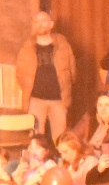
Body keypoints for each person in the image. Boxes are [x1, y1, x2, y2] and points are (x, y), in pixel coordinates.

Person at [15, 10, 77, 143]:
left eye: (43, 21)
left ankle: (63, 163)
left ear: (51, 24)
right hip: (35, 100)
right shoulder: (26, 47)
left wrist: (66, 90)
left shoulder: (63, 45)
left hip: (59, 100)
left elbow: (72, 70)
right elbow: (20, 73)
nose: (40, 24)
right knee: (36, 140)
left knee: (61, 140)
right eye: (36, 22)